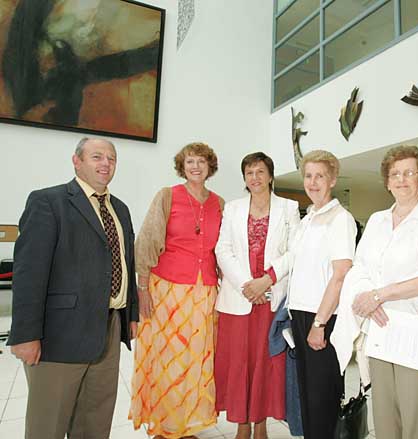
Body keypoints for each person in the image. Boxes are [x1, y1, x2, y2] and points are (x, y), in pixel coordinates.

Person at [7, 137, 138, 439]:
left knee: (94, 423)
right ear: (76, 161)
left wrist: (130, 314)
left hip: (109, 328)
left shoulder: (120, 209)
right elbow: (29, 274)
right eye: (96, 157)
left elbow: (124, 262)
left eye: (111, 158)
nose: (105, 163)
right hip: (59, 334)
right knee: (48, 425)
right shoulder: (48, 201)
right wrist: (25, 334)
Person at [332, 145, 418, 439]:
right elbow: (360, 267)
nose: (401, 179)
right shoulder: (378, 220)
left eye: (409, 173)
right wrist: (367, 298)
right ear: (387, 181)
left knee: (414, 413)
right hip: (379, 326)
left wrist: (379, 295)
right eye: (395, 174)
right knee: (384, 411)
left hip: (414, 325)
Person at [129, 142, 224, 439]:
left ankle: (185, 424)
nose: (195, 166)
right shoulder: (168, 196)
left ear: (210, 167)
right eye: (190, 162)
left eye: (201, 162)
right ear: (182, 167)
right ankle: (164, 425)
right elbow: (146, 241)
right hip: (167, 288)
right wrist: (142, 289)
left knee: (196, 359)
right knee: (166, 358)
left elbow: (224, 249)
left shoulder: (219, 203)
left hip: (204, 291)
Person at [214, 152, 300, 439]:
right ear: (244, 178)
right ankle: (241, 424)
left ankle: (261, 423)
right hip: (240, 299)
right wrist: (247, 285)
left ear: (271, 175)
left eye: (260, 172)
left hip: (271, 299)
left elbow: (295, 251)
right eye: (249, 173)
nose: (255, 178)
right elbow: (222, 250)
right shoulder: (233, 208)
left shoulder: (289, 207)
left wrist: (267, 280)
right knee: (239, 363)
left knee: (266, 363)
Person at [287, 150, 357, 439]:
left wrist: (318, 324)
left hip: (323, 318)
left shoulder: (340, 219)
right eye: (308, 176)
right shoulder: (307, 220)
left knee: (323, 400)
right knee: (308, 400)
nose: (312, 182)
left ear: (332, 180)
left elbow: (340, 275)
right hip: (301, 314)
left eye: (319, 176)